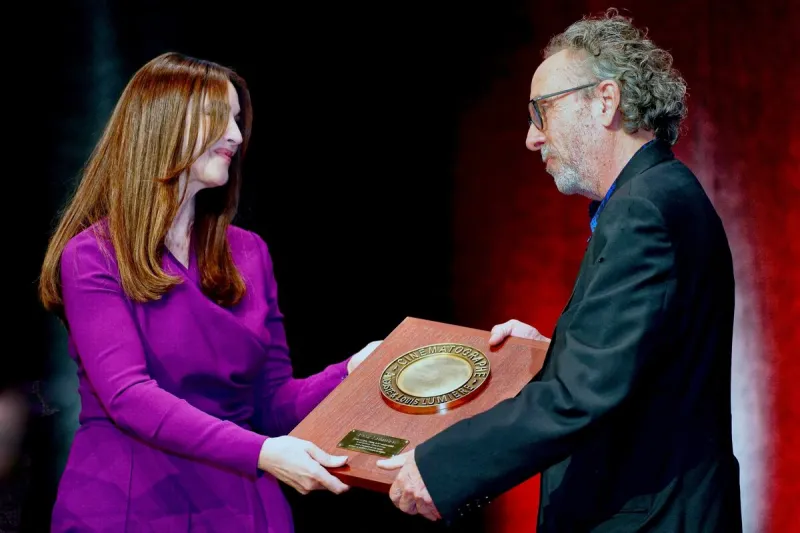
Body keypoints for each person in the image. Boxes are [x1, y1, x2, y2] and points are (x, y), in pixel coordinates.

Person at [377, 10, 743, 532]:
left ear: (606, 101)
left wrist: (439, 466)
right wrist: (550, 354)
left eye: (541, 112)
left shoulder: (643, 209)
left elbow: (582, 395)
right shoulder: (661, 193)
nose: (532, 138)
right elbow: (643, 359)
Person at [38, 52, 381, 532]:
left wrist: (350, 372)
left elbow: (272, 405)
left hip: (241, 509)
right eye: (218, 117)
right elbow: (128, 396)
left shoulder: (250, 252)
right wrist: (261, 452)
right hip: (133, 509)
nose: (236, 136)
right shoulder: (93, 255)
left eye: (237, 120)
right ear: (161, 123)